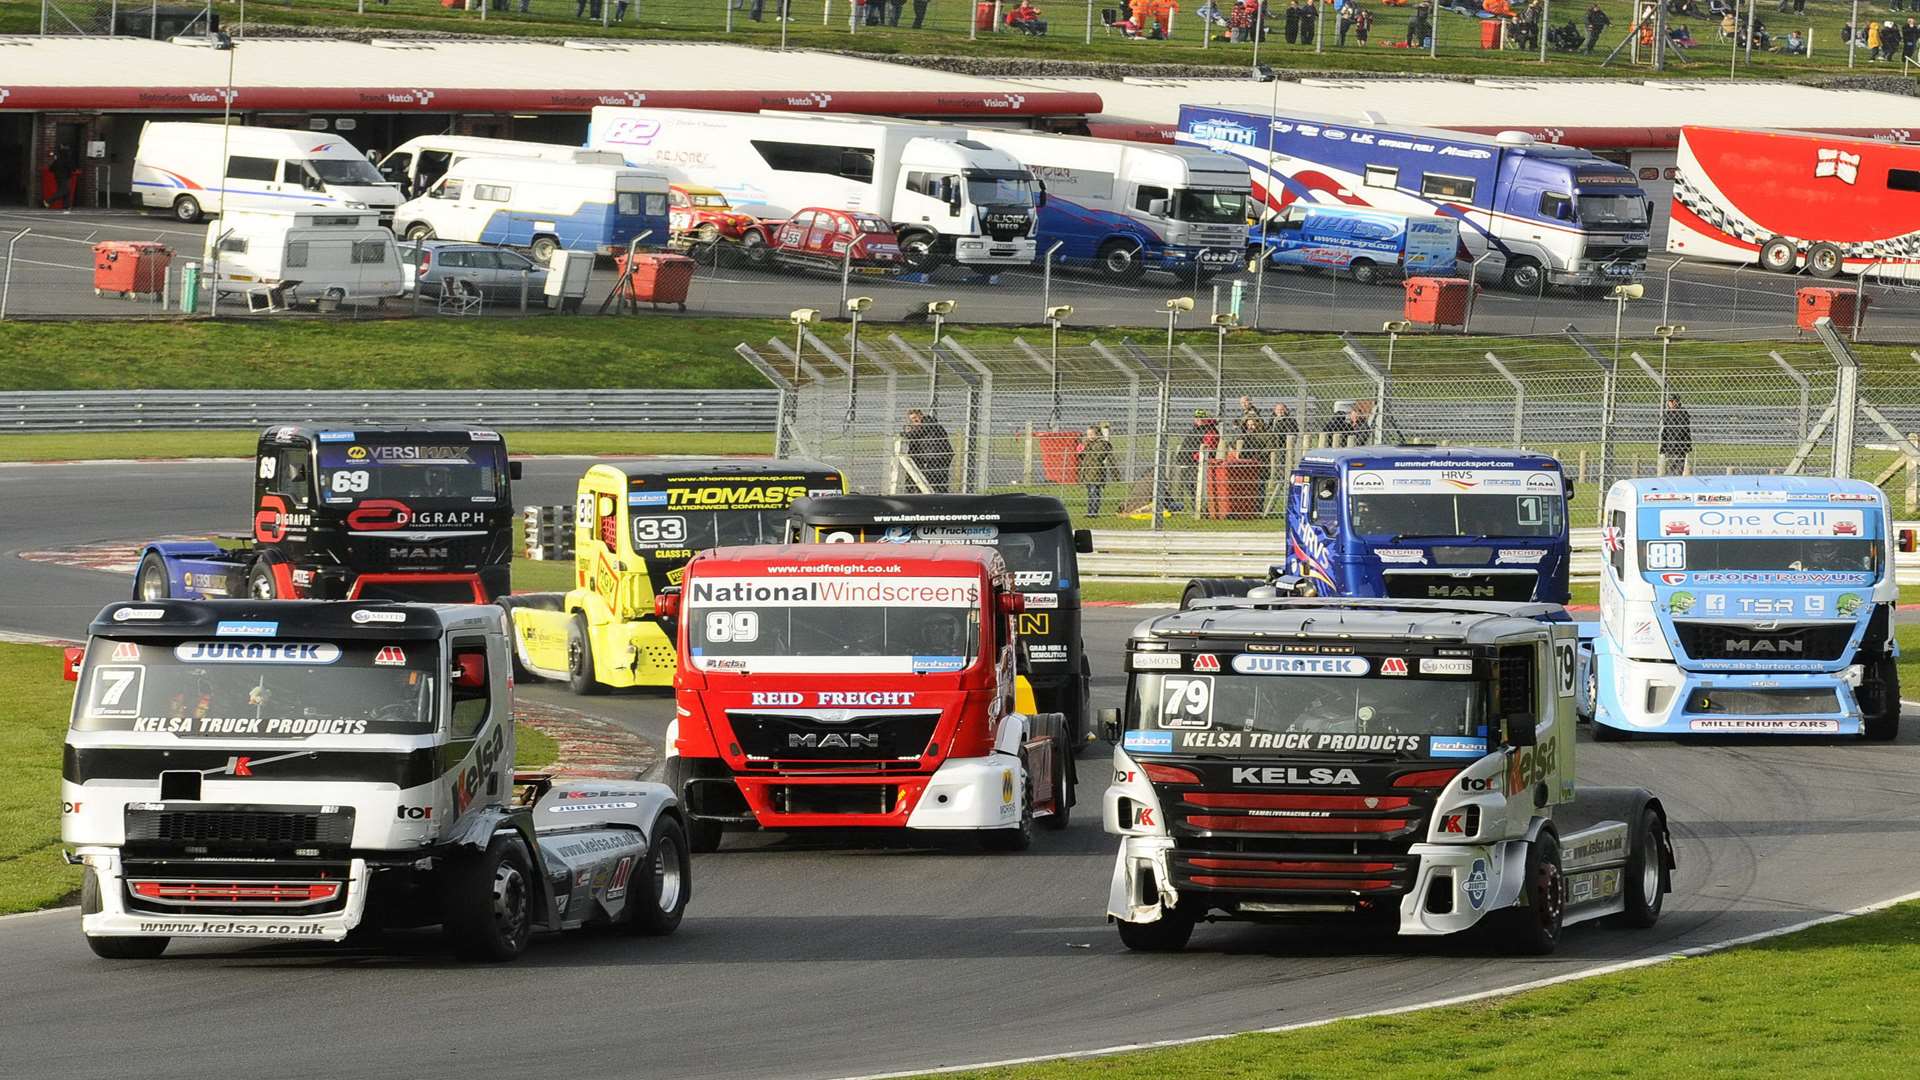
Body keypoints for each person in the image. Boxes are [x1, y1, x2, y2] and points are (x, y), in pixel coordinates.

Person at [902, 409, 955, 493]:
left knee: (935, 477)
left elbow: (917, 434)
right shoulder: (920, 427)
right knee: (936, 477)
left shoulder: (928, 422)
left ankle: (940, 494)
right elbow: (914, 442)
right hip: (933, 456)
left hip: (938, 455)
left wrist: (905, 434)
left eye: (916, 417)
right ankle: (939, 493)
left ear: (921, 415)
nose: (915, 420)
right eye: (912, 419)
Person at [1077, 424, 1115, 517]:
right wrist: (1081, 451)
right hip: (1088, 472)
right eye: (1088, 434)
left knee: (1095, 493)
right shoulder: (1088, 444)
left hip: (1096, 472)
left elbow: (1097, 456)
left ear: (1097, 434)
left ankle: (1094, 512)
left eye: (1091, 434)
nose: (1089, 437)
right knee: (1090, 494)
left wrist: (1087, 447)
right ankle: (1090, 512)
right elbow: (1085, 457)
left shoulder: (1101, 444)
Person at [1658, 394, 1692, 475]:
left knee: (1678, 470)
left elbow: (1681, 431)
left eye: (1673, 401)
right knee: (1671, 469)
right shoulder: (1667, 414)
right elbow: (1665, 431)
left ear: (1677, 402)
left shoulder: (1683, 413)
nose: (1671, 403)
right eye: (1670, 401)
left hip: (1680, 446)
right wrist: (1664, 446)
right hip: (1670, 446)